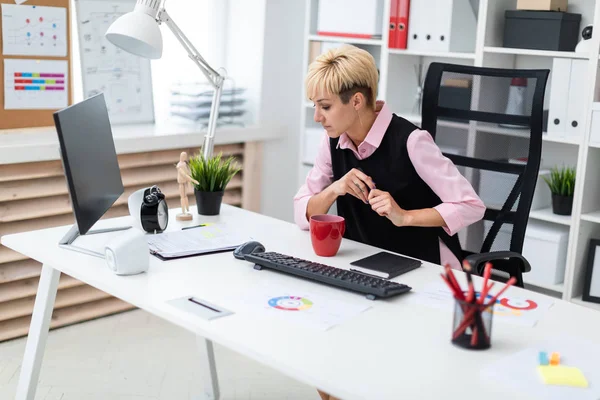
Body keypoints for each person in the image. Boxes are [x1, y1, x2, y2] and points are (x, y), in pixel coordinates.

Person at [294, 44, 485, 400]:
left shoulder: (412, 141)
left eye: (324, 107)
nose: (317, 117)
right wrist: (335, 188)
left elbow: (471, 205)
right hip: (368, 264)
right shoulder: (333, 142)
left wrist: (404, 216)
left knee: (371, 366)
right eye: (315, 107)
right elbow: (302, 210)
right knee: (322, 359)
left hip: (424, 267)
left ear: (356, 101)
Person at [176, 151, 198, 221]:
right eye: (184, 156)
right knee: (182, 197)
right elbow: (184, 175)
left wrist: (189, 180)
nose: (185, 158)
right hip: (181, 183)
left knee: (185, 196)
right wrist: (193, 180)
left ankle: (187, 209)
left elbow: (187, 173)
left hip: (184, 183)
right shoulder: (179, 166)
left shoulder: (184, 164)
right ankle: (183, 211)